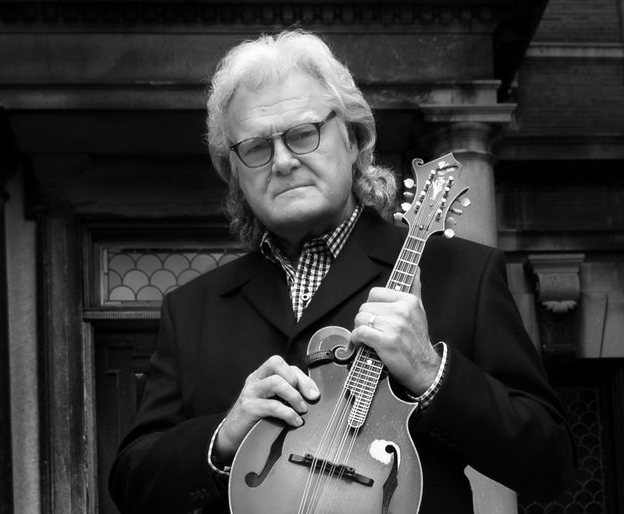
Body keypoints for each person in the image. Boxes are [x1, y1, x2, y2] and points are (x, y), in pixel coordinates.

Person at [108, 30, 574, 514]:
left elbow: (549, 463)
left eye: (303, 133)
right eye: (256, 148)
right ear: (235, 173)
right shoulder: (191, 310)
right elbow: (131, 482)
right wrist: (223, 437)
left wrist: (432, 374)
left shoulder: (462, 274)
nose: (284, 162)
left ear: (354, 139)